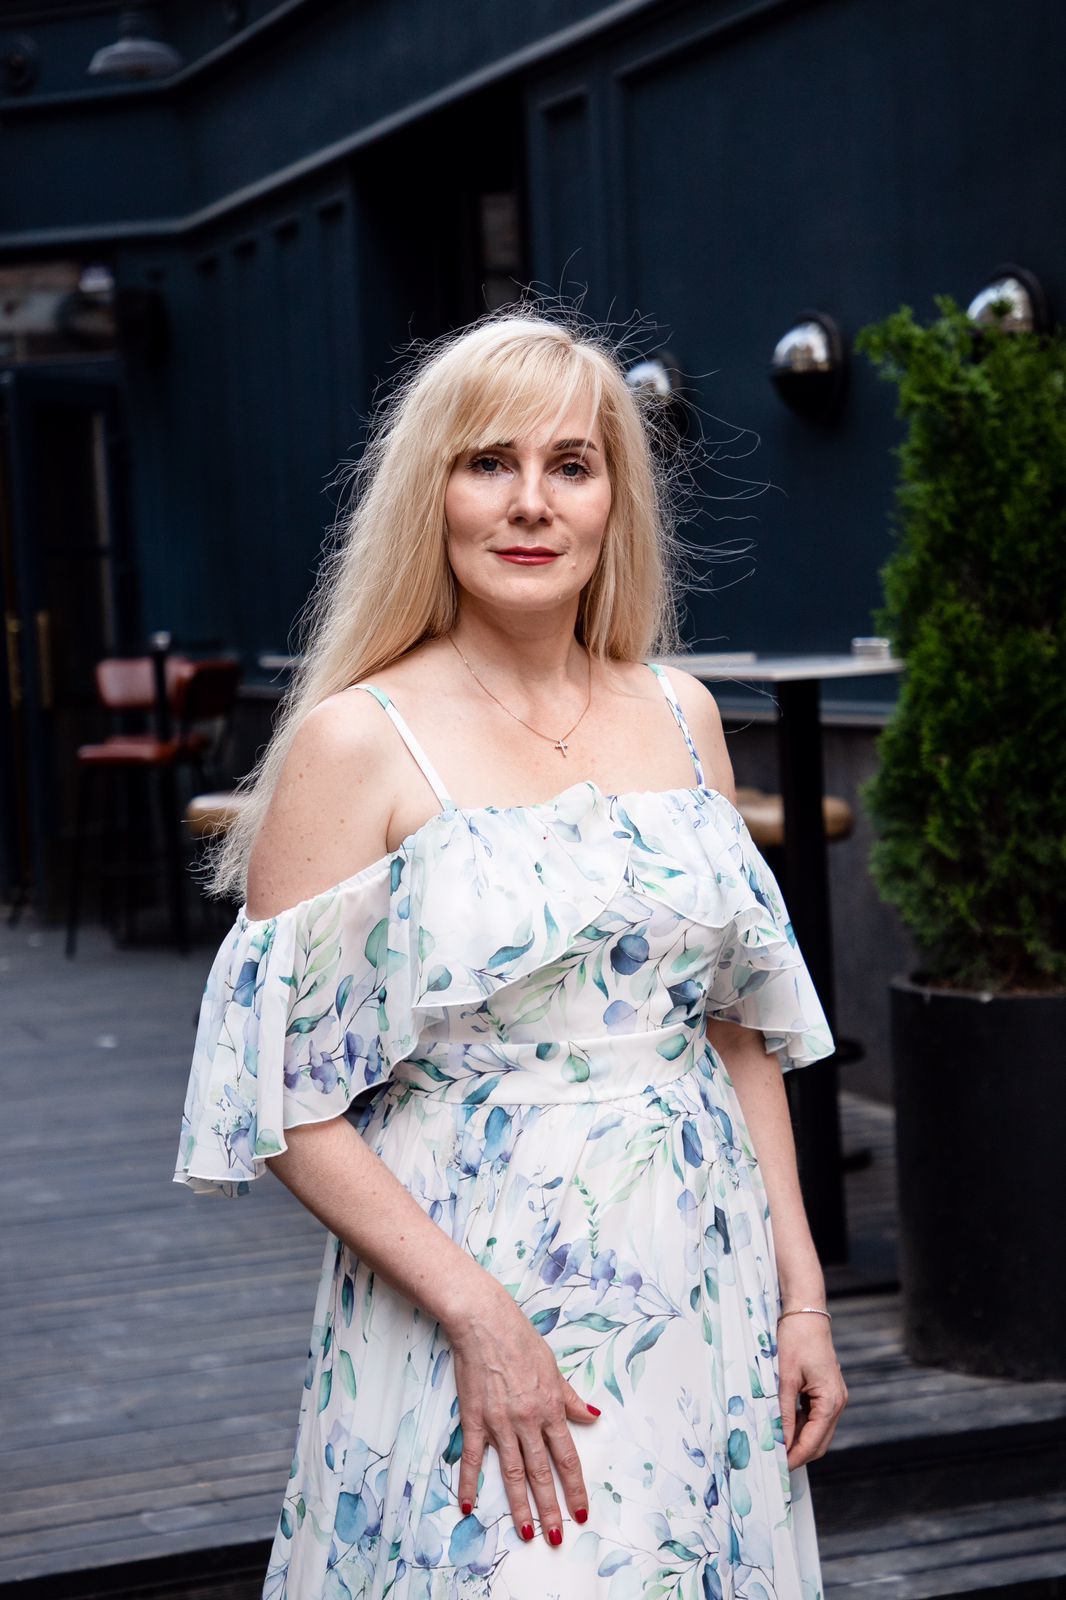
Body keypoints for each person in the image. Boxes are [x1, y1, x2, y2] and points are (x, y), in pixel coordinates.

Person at [174, 307, 848, 1600]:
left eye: (569, 465)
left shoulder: (682, 715)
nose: (530, 502)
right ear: (429, 495)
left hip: (698, 1283)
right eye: (488, 463)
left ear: (612, 501)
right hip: (469, 1285)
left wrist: (800, 1295)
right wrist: (480, 1317)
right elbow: (282, 1098)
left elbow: (734, 1030)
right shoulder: (357, 739)